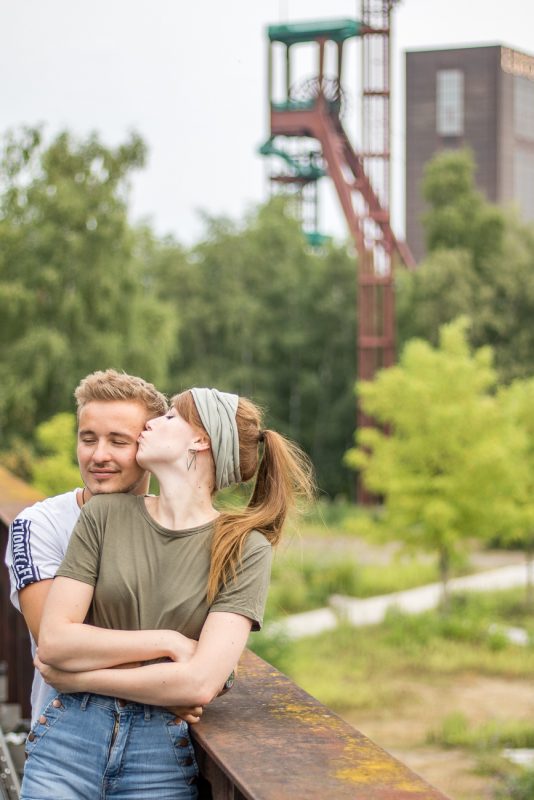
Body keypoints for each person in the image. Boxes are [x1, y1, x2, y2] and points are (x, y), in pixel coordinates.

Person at [21, 387, 314, 800]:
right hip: (66, 742)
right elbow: (54, 641)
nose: (152, 424)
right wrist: (170, 643)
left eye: (171, 417)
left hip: (157, 760)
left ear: (201, 440)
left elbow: (198, 684)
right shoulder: (104, 514)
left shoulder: (244, 547)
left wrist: (76, 678)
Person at [5, 369, 198, 727]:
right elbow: (56, 649)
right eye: (88, 439)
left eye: (119, 441)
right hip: (63, 736)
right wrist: (170, 675)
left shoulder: (184, 528)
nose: (99, 455)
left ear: (149, 444)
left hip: (164, 751)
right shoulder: (38, 525)